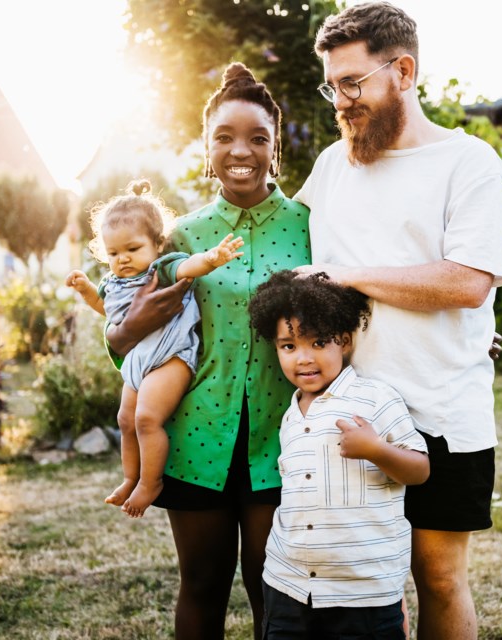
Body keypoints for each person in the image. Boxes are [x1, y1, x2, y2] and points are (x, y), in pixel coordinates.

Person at [294, 3, 502, 639]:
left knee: (439, 577)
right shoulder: (333, 167)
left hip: (443, 411)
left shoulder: (468, 163)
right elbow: (284, 253)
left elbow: (468, 281)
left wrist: (350, 276)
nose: (340, 100)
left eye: (353, 83)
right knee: (362, 579)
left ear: (405, 70)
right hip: (350, 416)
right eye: (331, 85)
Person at [105, 64, 311, 640]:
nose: (239, 150)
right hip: (196, 438)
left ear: (274, 149)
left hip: (285, 438)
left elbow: (360, 303)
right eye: (224, 137)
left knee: (275, 588)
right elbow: (129, 328)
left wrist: (464, 335)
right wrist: (117, 345)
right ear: (206, 146)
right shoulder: (184, 236)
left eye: (257, 138)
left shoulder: (311, 225)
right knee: (201, 583)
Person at [247, 270, 429, 639]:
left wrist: (376, 449)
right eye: (289, 346)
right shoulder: (290, 415)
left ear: (344, 342)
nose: (303, 358)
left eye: (319, 343)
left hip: (363, 593)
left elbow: (420, 469)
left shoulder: (375, 398)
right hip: (290, 585)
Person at [65, 180, 245, 517]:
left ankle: (151, 482)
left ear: (157, 244)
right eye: (114, 253)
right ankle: (130, 476)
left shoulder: (160, 269)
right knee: (125, 420)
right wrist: (87, 289)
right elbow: (108, 310)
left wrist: (211, 258)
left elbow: (187, 268)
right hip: (137, 362)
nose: (123, 259)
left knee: (147, 419)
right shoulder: (114, 281)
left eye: (132, 249)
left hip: (171, 358)